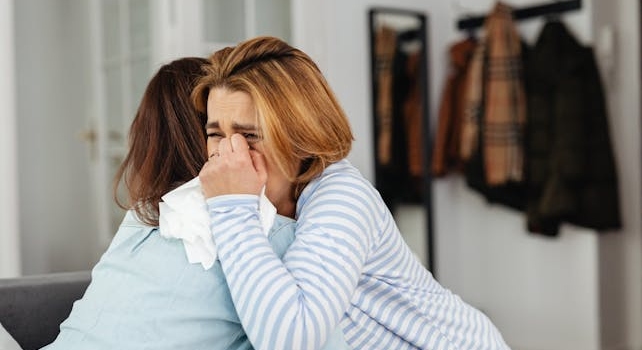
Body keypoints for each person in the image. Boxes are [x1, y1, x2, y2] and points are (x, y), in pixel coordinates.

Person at [193, 36, 510, 350]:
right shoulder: (263, 206)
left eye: (250, 135)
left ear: (302, 135)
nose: (228, 153)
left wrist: (231, 206)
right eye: (215, 134)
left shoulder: (343, 196)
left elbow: (290, 340)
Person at [42, 57, 349, 350]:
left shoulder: (144, 213)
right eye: (215, 132)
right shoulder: (278, 237)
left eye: (249, 134)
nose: (231, 147)